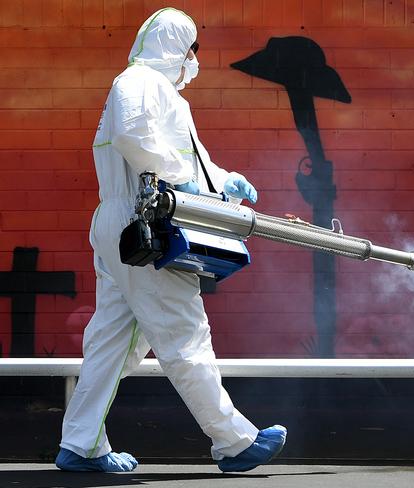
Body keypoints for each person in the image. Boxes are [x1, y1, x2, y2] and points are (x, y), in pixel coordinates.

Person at [55, 7, 286, 473]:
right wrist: (187, 183)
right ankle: (234, 441)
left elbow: (183, 158)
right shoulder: (141, 83)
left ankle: (80, 445)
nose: (194, 61)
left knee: (113, 342)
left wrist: (223, 182)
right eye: (193, 50)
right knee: (185, 335)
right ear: (178, 47)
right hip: (147, 222)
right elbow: (136, 139)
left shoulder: (156, 91)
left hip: (125, 222)